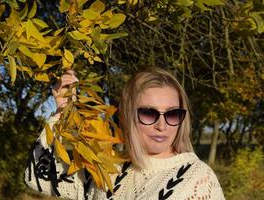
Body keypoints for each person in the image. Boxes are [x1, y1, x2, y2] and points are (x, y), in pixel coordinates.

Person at [25, 68, 225, 200]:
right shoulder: (109, 170)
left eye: (173, 114)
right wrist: (63, 111)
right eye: (149, 113)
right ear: (127, 116)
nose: (162, 126)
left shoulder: (197, 179)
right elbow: (37, 177)